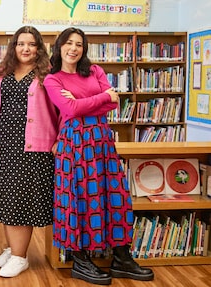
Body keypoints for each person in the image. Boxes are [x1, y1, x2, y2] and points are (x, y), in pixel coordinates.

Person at [43, 27, 154, 285]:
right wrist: (100, 97)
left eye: (79, 44)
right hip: (75, 142)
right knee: (79, 196)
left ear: (84, 48)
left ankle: (122, 258)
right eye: (69, 43)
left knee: (116, 195)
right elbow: (69, 108)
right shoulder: (52, 79)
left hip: (102, 139)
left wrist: (89, 100)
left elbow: (113, 103)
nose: (74, 48)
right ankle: (80, 260)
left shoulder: (94, 71)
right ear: (59, 47)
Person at [0, 26, 59, 278]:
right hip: (4, 148)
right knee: (5, 202)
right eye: (21, 44)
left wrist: (60, 139)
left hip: (34, 151)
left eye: (31, 44)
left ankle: (21, 257)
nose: (25, 49)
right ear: (13, 47)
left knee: (21, 205)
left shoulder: (48, 76)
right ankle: (14, 249)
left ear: (39, 48)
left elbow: (65, 110)